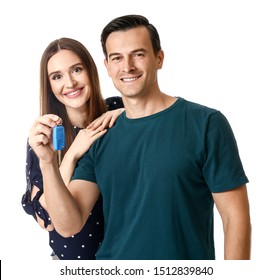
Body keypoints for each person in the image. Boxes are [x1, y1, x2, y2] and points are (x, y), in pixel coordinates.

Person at [28, 15, 251, 260]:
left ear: (159, 58)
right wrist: (48, 162)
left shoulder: (206, 124)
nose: (127, 67)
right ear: (107, 66)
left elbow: (235, 219)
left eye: (138, 54)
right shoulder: (100, 133)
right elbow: (68, 224)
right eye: (117, 58)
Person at [21, 37, 124, 260]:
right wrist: (72, 155)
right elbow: (47, 219)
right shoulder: (45, 136)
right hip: (70, 263)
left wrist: (127, 113)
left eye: (76, 70)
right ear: (49, 85)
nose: (70, 83)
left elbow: (158, 111)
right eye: (57, 76)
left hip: (127, 259)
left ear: (91, 70)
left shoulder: (118, 108)